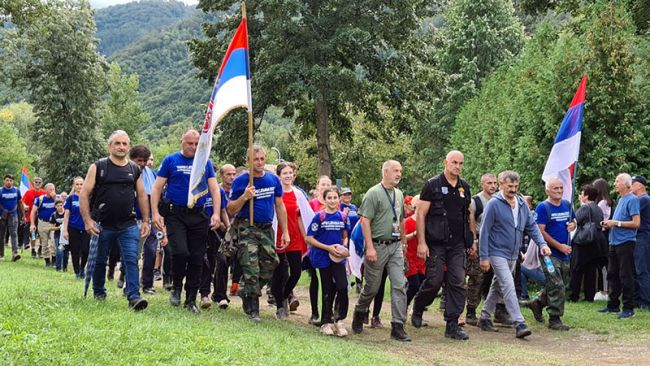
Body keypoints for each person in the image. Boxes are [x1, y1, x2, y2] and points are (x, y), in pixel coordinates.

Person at [151, 129, 221, 314]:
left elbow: (214, 189)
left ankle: (191, 299)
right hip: (176, 215)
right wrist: (155, 213)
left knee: (197, 258)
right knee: (181, 252)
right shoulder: (171, 160)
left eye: (197, 144)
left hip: (199, 215)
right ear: (182, 142)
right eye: (190, 143)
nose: (193, 147)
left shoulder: (205, 163)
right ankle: (176, 287)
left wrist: (216, 213)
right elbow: (157, 187)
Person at [79, 130, 150, 311]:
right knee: (100, 261)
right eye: (117, 143)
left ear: (129, 146)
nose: (121, 147)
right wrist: (88, 221)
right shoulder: (99, 167)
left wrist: (146, 221)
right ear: (109, 146)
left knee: (131, 259)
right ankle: (99, 292)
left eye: (125, 144)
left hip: (127, 224)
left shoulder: (134, 169)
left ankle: (134, 296)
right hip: (102, 224)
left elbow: (142, 195)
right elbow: (84, 194)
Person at [478, 170, 550, 339]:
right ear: (501, 184)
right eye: (510, 186)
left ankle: (484, 317)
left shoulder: (521, 203)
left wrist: (542, 244)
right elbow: (484, 231)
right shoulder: (494, 204)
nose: (513, 189)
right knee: (508, 284)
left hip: (513, 253)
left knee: (498, 285)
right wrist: (484, 257)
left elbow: (531, 226)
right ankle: (519, 322)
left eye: (516, 186)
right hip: (496, 251)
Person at [411, 151, 475, 341]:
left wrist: (472, 240)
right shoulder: (432, 185)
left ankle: (452, 324)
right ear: (445, 162)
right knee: (434, 281)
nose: (457, 166)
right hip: (436, 242)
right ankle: (419, 306)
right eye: (454, 162)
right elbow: (421, 214)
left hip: (457, 244)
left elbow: (468, 215)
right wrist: (422, 243)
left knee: (457, 282)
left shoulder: (464, 187)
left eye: (461, 163)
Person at [227, 145, 289, 323]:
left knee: (271, 263)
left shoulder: (273, 180)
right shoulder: (241, 181)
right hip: (248, 227)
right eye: (256, 159)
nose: (260, 163)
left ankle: (247, 291)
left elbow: (280, 206)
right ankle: (254, 309)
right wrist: (244, 197)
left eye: (262, 159)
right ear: (248, 161)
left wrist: (285, 232)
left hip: (266, 228)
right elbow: (231, 208)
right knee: (251, 267)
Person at [351, 160, 410, 342]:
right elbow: (365, 221)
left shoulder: (399, 194)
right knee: (373, 287)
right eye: (395, 171)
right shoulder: (373, 193)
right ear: (385, 172)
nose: (399, 174)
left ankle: (398, 326)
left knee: (399, 284)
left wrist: (403, 242)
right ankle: (360, 312)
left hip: (395, 246)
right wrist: (369, 247)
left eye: (400, 171)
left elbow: (400, 220)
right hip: (377, 245)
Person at [525, 178, 576, 330]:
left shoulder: (567, 204)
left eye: (561, 188)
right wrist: (559, 246)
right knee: (556, 284)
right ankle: (555, 318)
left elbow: (573, 222)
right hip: (549, 253)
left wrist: (573, 225)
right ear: (548, 191)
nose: (559, 191)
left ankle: (538, 302)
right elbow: (540, 231)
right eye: (555, 189)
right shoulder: (543, 207)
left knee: (561, 284)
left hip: (565, 252)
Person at [306, 187, 351, 336]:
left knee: (342, 287)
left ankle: (339, 319)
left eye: (335, 197)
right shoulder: (319, 217)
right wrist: (327, 248)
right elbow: (309, 238)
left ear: (339, 199)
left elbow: (345, 235)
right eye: (329, 198)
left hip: (338, 258)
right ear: (324, 200)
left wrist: (343, 246)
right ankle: (326, 321)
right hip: (322, 257)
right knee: (327, 289)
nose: (332, 200)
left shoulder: (343, 217)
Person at [270, 162, 313, 319]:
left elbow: (302, 216)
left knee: (295, 272)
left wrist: (307, 237)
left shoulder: (298, 194)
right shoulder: (275, 193)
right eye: (284, 173)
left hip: (294, 237)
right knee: (280, 273)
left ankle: (283, 296)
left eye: (290, 173)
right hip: (279, 236)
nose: (288, 176)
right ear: (279, 176)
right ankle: (280, 307)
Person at [598, 173, 640, 318]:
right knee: (612, 274)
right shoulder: (621, 200)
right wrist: (608, 224)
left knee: (625, 275)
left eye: (617, 181)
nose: (615, 183)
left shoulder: (633, 199)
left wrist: (615, 223)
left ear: (626, 184)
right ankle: (613, 305)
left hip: (626, 242)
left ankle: (629, 308)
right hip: (614, 241)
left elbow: (636, 223)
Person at [466, 173, 497, 326]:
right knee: (476, 277)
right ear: (482, 184)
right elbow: (471, 221)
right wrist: (474, 242)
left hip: (495, 242)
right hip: (478, 239)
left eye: (494, 183)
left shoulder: (500, 200)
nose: (492, 186)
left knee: (493, 278)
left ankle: (494, 311)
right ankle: (470, 310)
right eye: (489, 183)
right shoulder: (475, 201)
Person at [129, 145, 159, 296]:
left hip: (150, 219)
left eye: (144, 161)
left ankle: (147, 283)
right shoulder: (126, 173)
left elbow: (155, 196)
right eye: (139, 160)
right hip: (131, 219)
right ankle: (129, 280)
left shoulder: (151, 174)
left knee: (151, 251)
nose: (141, 163)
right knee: (132, 252)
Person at [568, 184, 606, 302]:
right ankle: (589, 296)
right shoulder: (598, 208)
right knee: (591, 270)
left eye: (581, 193)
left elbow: (574, 219)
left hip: (583, 242)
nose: (580, 196)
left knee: (577, 269)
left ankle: (574, 295)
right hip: (596, 242)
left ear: (586, 196)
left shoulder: (585, 208)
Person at [305, 175, 332, 324]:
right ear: (317, 187)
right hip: (315, 247)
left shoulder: (335, 203)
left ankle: (328, 311)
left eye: (328, 184)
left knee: (330, 281)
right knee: (316, 279)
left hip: (332, 249)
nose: (325, 186)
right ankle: (315, 312)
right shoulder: (311, 204)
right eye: (323, 184)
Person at [199, 185, 230, 309]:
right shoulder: (196, 188)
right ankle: (204, 294)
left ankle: (221, 295)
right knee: (206, 263)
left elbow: (223, 210)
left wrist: (228, 229)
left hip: (216, 232)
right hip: (200, 231)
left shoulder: (219, 190)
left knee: (222, 261)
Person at [63, 177, 90, 279]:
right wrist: (65, 230)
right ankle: (77, 272)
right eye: (77, 184)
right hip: (73, 228)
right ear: (74, 186)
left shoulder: (88, 198)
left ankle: (82, 267)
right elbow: (66, 215)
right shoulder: (70, 199)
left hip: (86, 228)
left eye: (81, 184)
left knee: (85, 250)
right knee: (75, 251)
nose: (79, 186)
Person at [631, 176, 650, 309]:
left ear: (640, 186)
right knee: (637, 270)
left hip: (642, 238)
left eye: (632, 184)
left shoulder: (643, 199)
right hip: (640, 238)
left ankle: (645, 302)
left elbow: (628, 214)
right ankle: (638, 299)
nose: (630, 186)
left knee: (642, 270)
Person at [593, 178, 613, 301]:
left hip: (602, 234)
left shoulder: (601, 203)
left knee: (603, 265)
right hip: (607, 235)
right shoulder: (609, 202)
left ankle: (604, 291)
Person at [404, 195, 424, 306]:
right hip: (410, 257)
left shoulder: (426, 221)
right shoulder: (408, 222)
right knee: (414, 285)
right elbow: (403, 237)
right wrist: (414, 234)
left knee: (421, 285)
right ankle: (403, 308)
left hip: (422, 259)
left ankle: (416, 310)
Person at [30, 183, 58, 267]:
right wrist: (32, 224)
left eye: (53, 189)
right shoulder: (40, 199)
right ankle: (47, 261)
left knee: (53, 242)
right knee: (44, 243)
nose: (52, 191)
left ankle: (54, 260)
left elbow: (61, 208)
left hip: (53, 223)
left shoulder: (56, 199)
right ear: (46, 190)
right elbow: (33, 211)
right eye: (50, 190)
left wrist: (55, 198)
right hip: (42, 223)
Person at [0, 174, 24, 261]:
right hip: (2, 216)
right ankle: (1, 254)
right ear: (4, 181)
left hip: (13, 216)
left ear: (12, 181)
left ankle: (15, 253)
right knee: (1, 235)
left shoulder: (16, 190)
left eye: (11, 180)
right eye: (7, 180)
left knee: (14, 234)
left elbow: (20, 203)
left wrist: (23, 216)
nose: (9, 182)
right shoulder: (0, 191)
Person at [22, 177, 45, 257]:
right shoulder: (29, 192)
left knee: (42, 234)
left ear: (41, 184)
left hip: (41, 217)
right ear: (33, 183)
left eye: (39, 182)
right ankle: (33, 249)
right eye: (36, 182)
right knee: (33, 234)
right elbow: (23, 202)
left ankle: (40, 248)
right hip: (31, 217)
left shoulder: (44, 193)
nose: (37, 184)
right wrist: (25, 206)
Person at [50, 199, 68, 271]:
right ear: (55, 207)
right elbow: (51, 227)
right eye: (58, 206)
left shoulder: (67, 213)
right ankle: (58, 267)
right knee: (60, 250)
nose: (60, 207)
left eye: (61, 205)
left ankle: (65, 267)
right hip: (58, 235)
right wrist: (58, 227)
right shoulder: (54, 215)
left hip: (66, 235)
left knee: (66, 252)